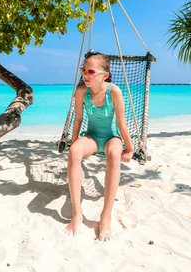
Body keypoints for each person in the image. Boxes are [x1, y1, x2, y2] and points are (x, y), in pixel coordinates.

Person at [65, 51, 134, 241]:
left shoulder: (114, 91)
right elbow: (78, 119)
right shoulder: (81, 91)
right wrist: (75, 143)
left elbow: (121, 124)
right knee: (74, 151)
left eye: (91, 72)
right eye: (83, 70)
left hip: (112, 137)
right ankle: (77, 213)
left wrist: (129, 148)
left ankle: (106, 216)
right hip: (93, 136)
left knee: (113, 155)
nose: (85, 75)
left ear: (105, 75)